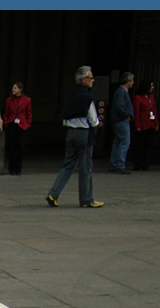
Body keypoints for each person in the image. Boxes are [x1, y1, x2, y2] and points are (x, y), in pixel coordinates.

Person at [46, 66, 104, 208]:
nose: (93, 81)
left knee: (68, 165)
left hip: (71, 132)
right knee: (85, 167)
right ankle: (87, 199)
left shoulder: (71, 95)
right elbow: (93, 118)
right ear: (84, 80)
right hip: (83, 133)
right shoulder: (87, 97)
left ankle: (53, 193)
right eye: (91, 78)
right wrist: (97, 125)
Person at [2, 82, 32, 175]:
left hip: (21, 125)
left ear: (20, 89)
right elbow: (6, 112)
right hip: (12, 124)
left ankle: (18, 169)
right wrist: (6, 122)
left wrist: (27, 124)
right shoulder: (9, 100)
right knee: (11, 147)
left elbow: (29, 113)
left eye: (15, 88)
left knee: (20, 147)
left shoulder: (27, 100)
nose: (13, 90)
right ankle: (11, 169)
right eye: (13, 88)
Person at [110, 72, 135, 173]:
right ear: (128, 81)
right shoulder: (122, 92)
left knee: (118, 142)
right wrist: (126, 115)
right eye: (132, 81)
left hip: (117, 120)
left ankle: (114, 164)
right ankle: (120, 164)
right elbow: (120, 106)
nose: (133, 83)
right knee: (124, 142)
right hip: (121, 120)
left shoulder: (120, 92)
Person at [131, 79, 159, 170]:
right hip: (142, 124)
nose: (152, 88)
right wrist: (137, 125)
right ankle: (138, 163)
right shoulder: (138, 98)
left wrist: (156, 123)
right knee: (140, 145)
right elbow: (137, 112)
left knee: (148, 145)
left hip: (150, 123)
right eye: (151, 86)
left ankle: (146, 163)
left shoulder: (151, 97)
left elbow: (154, 110)